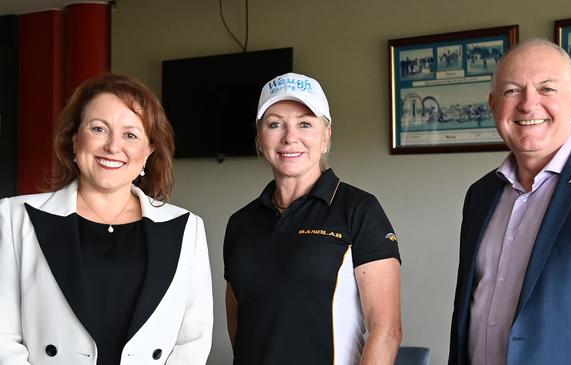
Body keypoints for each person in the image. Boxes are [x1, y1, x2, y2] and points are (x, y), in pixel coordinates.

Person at [448, 38, 571, 365]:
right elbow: (466, 317)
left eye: (547, 89)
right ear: (493, 105)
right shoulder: (480, 195)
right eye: (512, 90)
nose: (528, 104)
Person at [0, 73, 213, 364]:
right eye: (99, 129)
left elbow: (193, 342)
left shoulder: (186, 227)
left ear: (149, 149)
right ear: (75, 138)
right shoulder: (14, 217)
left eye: (130, 134)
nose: (113, 146)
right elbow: (3, 339)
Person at [223, 72, 402, 364]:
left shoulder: (359, 209)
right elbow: (240, 327)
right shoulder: (241, 223)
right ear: (260, 134)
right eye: (275, 124)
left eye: (305, 123)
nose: (290, 137)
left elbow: (387, 330)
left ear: (326, 135)